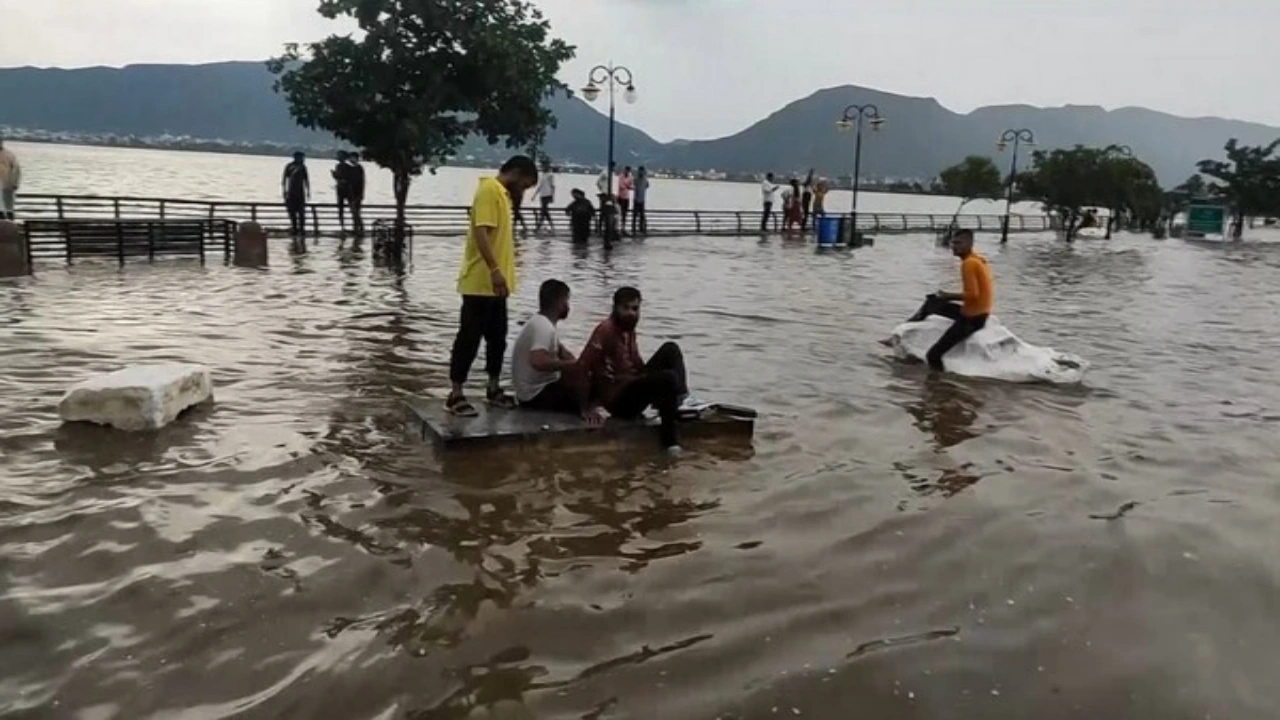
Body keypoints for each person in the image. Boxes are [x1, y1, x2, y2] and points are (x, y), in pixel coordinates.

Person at [445, 155, 540, 416]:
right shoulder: (489, 189)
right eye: (526, 184)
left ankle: (493, 387)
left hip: (498, 287)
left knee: (497, 339)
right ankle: (455, 394)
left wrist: (505, 276)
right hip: (479, 282)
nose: (524, 190)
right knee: (469, 338)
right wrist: (495, 270)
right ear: (517, 174)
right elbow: (481, 232)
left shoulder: (503, 196)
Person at [578, 287, 690, 454]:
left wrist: (654, 382)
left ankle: (679, 400)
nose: (631, 313)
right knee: (668, 378)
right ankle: (669, 442)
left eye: (635, 309)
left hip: (632, 383)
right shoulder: (605, 330)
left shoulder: (629, 329)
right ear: (615, 308)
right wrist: (587, 406)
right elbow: (583, 365)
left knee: (670, 349)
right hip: (619, 400)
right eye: (626, 308)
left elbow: (637, 364)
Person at [511, 280, 604, 424]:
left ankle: (586, 405)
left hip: (534, 391)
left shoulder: (542, 322)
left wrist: (579, 365)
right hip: (534, 396)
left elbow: (562, 352)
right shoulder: (543, 327)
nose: (568, 306)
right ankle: (585, 410)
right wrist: (570, 366)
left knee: (591, 374)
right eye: (567, 301)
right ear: (560, 302)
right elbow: (537, 361)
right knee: (596, 386)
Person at [906, 229, 994, 372]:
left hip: (971, 319)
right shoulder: (978, 259)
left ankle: (939, 387)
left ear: (970, 244)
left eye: (959, 243)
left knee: (933, 355)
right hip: (980, 313)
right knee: (932, 302)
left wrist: (947, 296)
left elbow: (973, 295)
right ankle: (903, 332)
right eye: (953, 242)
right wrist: (943, 297)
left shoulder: (969, 264)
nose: (954, 246)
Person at [282, 152, 310, 236]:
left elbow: (306, 180)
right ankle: (294, 228)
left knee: (301, 212)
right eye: (301, 157)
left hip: (300, 192)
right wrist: (284, 191)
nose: (302, 159)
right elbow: (284, 179)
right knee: (292, 212)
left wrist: (308, 191)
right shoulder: (289, 166)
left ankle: (301, 229)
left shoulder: (303, 167)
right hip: (291, 192)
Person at [346, 152, 366, 236]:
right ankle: (356, 229)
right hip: (352, 194)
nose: (350, 159)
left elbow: (359, 183)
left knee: (356, 212)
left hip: (356, 194)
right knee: (354, 212)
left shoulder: (359, 168)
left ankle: (360, 229)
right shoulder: (353, 168)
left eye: (352, 158)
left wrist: (360, 195)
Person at [0, 137, 20, 221]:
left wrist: (15, 183)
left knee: (8, 209)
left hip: (7, 186)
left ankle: (10, 228)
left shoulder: (9, 155)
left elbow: (16, 170)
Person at [534, 162, 556, 233]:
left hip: (547, 194)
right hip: (542, 194)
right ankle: (550, 225)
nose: (543, 168)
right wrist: (535, 195)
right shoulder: (543, 175)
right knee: (544, 211)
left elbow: (553, 186)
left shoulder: (550, 175)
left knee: (543, 210)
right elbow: (540, 186)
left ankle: (539, 226)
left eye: (544, 167)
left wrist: (552, 196)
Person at [333, 151, 351, 231]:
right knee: (340, 209)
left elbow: (347, 178)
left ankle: (351, 226)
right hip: (340, 189)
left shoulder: (347, 167)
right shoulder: (338, 166)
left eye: (340, 156)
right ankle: (343, 227)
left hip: (346, 189)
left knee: (349, 208)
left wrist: (336, 176)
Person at [632, 166, 650, 235]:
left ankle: (642, 229)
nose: (641, 172)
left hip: (642, 200)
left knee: (642, 216)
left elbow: (647, 186)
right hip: (636, 200)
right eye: (640, 171)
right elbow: (647, 186)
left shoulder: (645, 180)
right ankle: (634, 229)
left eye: (642, 171)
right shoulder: (636, 179)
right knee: (635, 216)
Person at [617, 166, 634, 235]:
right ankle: (618, 228)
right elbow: (620, 186)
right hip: (620, 197)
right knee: (619, 213)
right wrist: (627, 186)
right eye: (626, 170)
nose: (627, 172)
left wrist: (628, 186)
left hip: (626, 197)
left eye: (628, 171)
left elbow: (632, 186)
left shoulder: (630, 177)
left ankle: (623, 228)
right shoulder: (621, 176)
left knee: (625, 213)